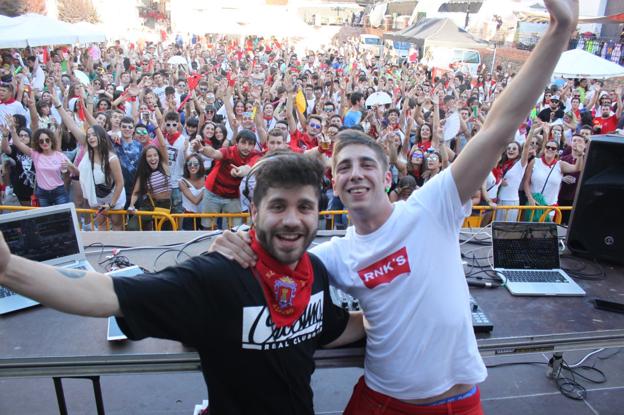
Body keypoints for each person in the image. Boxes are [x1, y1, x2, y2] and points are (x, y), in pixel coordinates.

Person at [209, 1, 580, 413]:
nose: (355, 174)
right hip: (385, 402)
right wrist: (226, 249)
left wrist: (559, 30)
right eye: (343, 167)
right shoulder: (336, 255)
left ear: (386, 177)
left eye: (367, 164)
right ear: (334, 182)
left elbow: (498, 127)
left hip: (463, 403)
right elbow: (271, 259)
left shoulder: (432, 206)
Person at [0, 152, 363, 415]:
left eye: (304, 207)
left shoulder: (313, 272)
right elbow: (104, 293)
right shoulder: (218, 275)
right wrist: (10, 270)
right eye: (278, 206)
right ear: (253, 212)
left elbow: (332, 327)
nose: (292, 220)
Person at [78, 125, 126, 231]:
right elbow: (72, 127)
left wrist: (111, 204)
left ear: (102, 137)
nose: (91, 138)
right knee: (101, 224)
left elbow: (120, 183)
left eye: (94, 135)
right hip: (98, 196)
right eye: (88, 135)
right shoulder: (88, 156)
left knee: (117, 223)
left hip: (114, 196)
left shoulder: (112, 158)